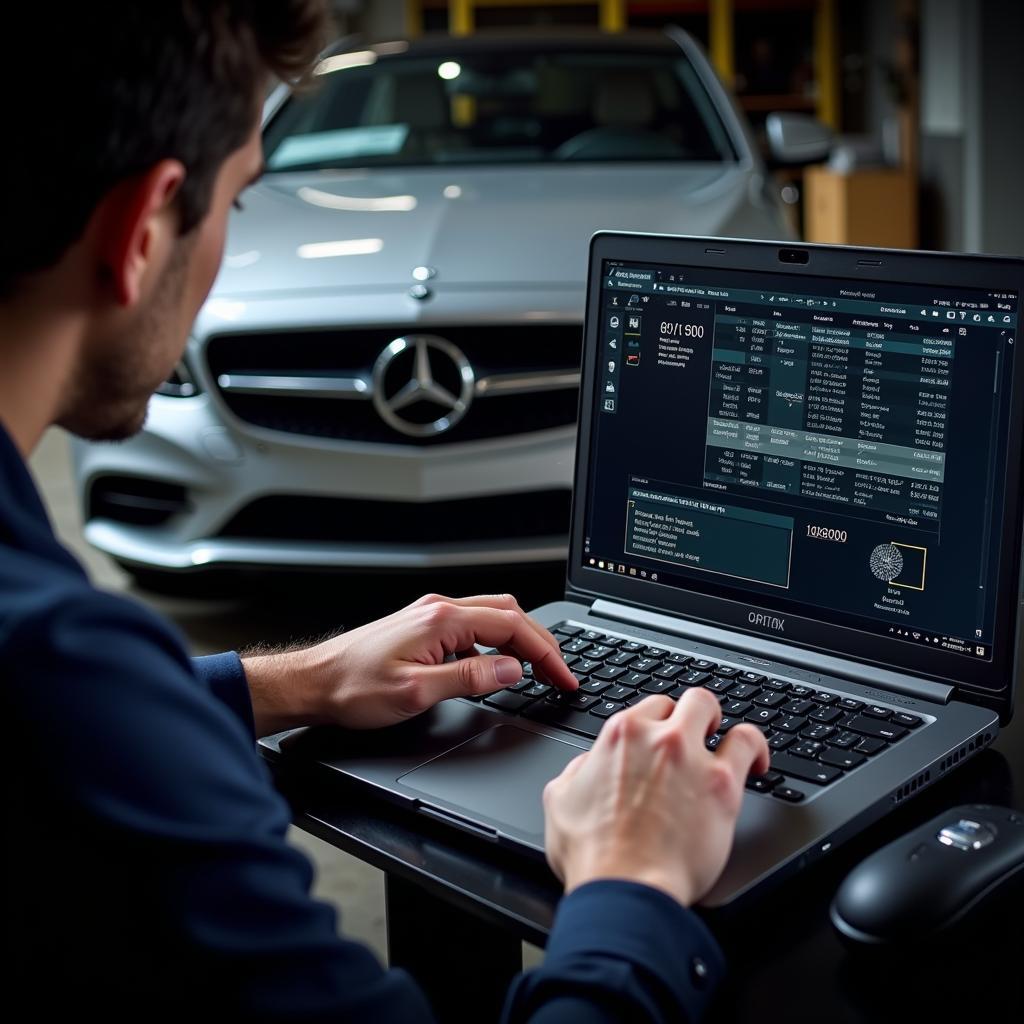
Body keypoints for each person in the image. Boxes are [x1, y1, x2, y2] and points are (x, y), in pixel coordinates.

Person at [1, 3, 770, 1019]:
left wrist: (297, 680)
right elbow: (72, 707)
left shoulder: (61, 671)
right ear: (144, 232)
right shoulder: (64, 668)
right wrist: (632, 886)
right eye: (238, 198)